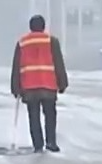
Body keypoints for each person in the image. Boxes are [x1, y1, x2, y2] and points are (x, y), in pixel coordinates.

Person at [10, 14, 69, 153]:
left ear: (30, 27)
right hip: (48, 85)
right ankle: (51, 142)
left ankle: (38, 144)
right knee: (50, 114)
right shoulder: (51, 41)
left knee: (33, 115)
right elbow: (58, 62)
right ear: (43, 26)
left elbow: (16, 66)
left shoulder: (22, 42)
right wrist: (62, 83)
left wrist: (15, 88)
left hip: (29, 87)